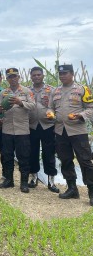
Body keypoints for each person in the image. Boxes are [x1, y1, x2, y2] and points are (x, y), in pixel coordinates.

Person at [47, 64, 93, 205]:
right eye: (60, 74)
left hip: (78, 131)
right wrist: (50, 113)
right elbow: (50, 107)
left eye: (65, 73)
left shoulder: (82, 89)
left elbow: (91, 108)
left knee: (85, 161)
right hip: (60, 131)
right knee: (65, 159)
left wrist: (80, 115)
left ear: (72, 74)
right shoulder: (55, 91)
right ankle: (72, 188)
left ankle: (92, 190)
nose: (62, 76)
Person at [0, 68, 35, 193]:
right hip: (7, 129)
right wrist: (0, 109)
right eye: (10, 77)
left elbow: (33, 106)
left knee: (23, 156)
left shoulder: (26, 91)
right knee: (7, 156)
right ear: (7, 79)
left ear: (18, 77)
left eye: (14, 76)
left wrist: (20, 102)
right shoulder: (3, 92)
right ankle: (9, 180)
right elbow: (0, 109)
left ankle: (24, 182)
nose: (12, 79)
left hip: (22, 130)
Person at [28, 67, 59, 193]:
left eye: (38, 75)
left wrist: (52, 113)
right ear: (31, 77)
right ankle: (33, 177)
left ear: (43, 75)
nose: (36, 77)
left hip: (48, 126)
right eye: (34, 75)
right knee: (32, 152)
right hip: (32, 126)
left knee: (49, 153)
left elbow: (56, 105)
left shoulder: (51, 90)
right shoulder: (27, 91)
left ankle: (51, 180)